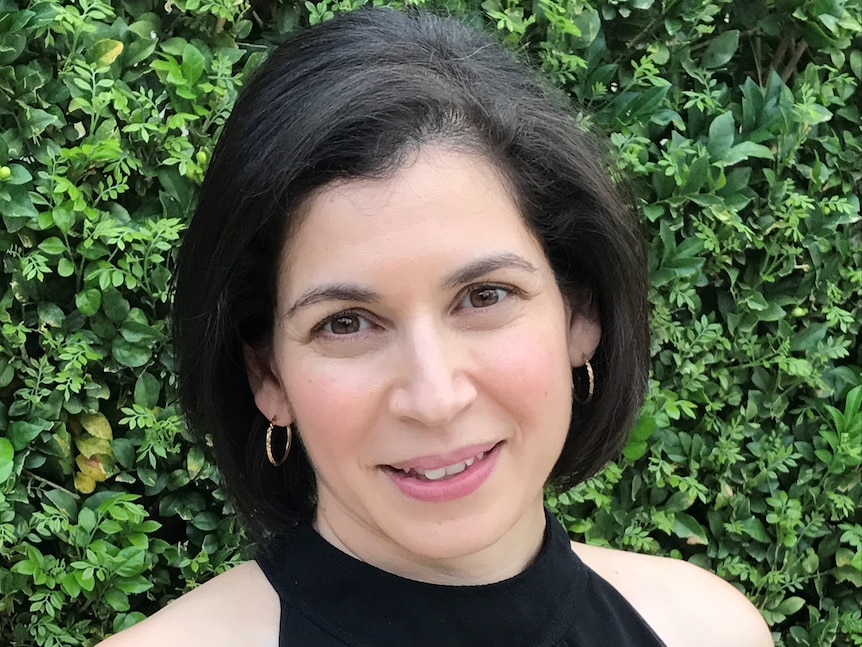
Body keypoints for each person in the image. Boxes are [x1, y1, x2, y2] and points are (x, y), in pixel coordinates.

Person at [100, 7, 773, 646]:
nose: (434, 396)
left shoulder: (707, 629)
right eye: (347, 323)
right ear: (268, 371)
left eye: (484, 296)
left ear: (580, 312)